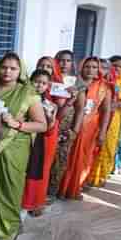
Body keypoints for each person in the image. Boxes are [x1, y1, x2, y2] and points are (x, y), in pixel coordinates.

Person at [0, 52, 47, 240]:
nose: (7, 71)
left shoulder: (27, 92)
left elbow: (41, 125)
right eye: (4, 67)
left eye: (13, 68)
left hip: (15, 147)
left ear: (20, 72)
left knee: (10, 188)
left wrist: (16, 123)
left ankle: (8, 230)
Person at [58, 57, 111, 200]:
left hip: (90, 129)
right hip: (70, 124)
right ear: (81, 67)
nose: (90, 70)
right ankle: (60, 189)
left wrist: (102, 131)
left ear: (98, 69)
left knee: (83, 160)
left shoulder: (104, 87)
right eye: (87, 66)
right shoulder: (72, 82)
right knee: (65, 157)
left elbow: (106, 111)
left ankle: (74, 188)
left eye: (94, 67)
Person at [21, 69, 58, 217]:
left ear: (48, 86)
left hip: (37, 142)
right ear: (30, 81)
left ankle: (28, 206)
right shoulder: (23, 98)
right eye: (36, 82)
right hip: (22, 139)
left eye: (43, 83)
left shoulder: (49, 105)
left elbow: (49, 127)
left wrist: (49, 118)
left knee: (32, 173)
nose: (39, 86)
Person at [88, 56, 121, 186]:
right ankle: (87, 177)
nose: (116, 68)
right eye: (114, 65)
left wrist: (112, 104)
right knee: (91, 148)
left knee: (107, 147)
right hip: (92, 119)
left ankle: (100, 176)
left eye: (120, 66)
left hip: (113, 121)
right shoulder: (93, 82)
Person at [47, 50, 80, 199]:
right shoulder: (48, 80)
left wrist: (74, 130)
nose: (64, 64)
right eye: (60, 60)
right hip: (49, 123)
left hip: (66, 125)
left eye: (67, 61)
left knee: (60, 160)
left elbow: (80, 108)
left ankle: (52, 192)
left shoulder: (76, 83)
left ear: (72, 63)